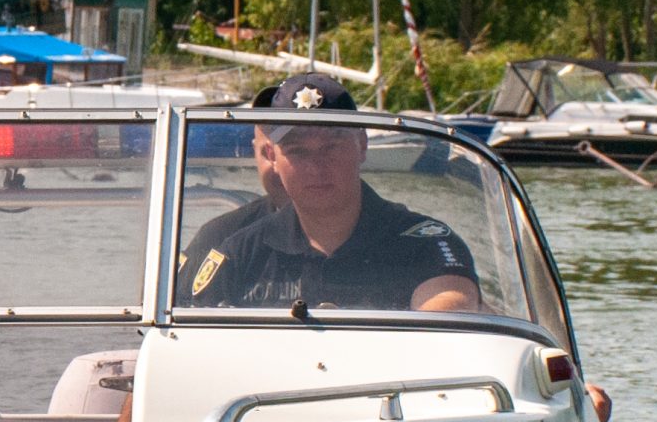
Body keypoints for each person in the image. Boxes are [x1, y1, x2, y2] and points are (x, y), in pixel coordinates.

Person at [178, 73, 482, 313]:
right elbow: (187, 345)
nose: (316, 165)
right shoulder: (240, 252)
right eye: (297, 151)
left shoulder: (425, 243)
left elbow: (449, 315)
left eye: (331, 146)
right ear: (271, 156)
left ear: (362, 145)